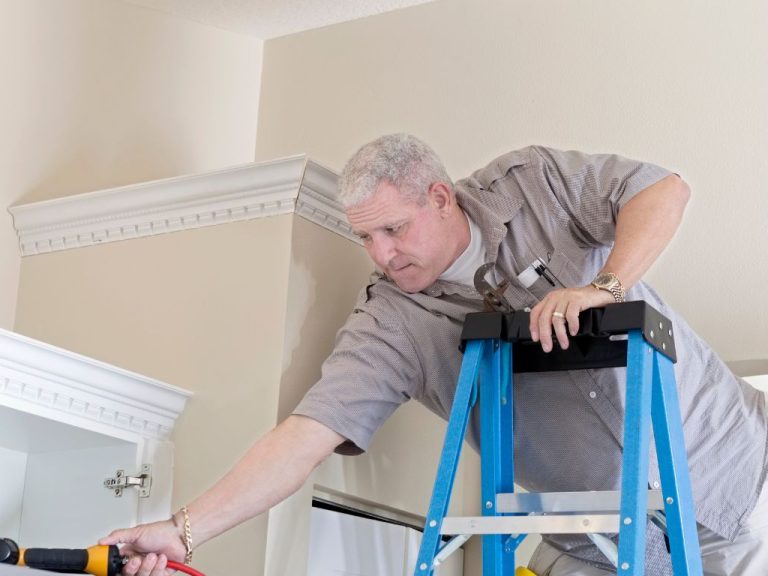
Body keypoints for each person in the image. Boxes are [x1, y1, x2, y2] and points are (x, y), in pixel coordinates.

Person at [101, 134, 768, 576]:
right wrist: (183, 530)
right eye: (368, 239)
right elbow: (304, 437)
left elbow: (664, 190)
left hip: (738, 471)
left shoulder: (532, 182)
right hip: (604, 547)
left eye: (394, 228)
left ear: (441, 197)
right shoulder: (390, 323)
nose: (384, 254)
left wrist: (603, 287)